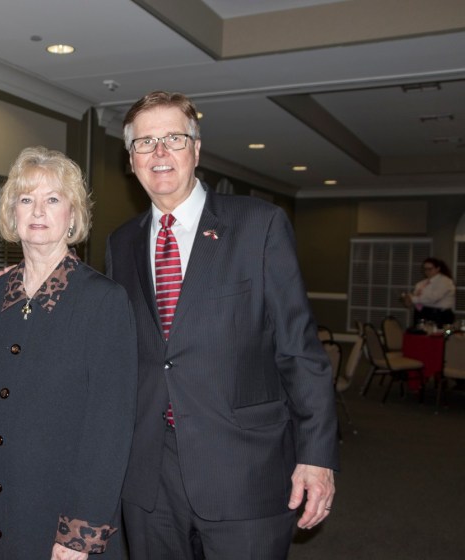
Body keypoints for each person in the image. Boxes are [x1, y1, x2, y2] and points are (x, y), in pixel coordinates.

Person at [105, 91, 339, 559]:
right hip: (150, 480)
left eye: (173, 138)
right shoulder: (120, 243)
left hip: (244, 470)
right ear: (131, 160)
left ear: (196, 148)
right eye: (145, 143)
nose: (160, 153)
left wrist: (316, 456)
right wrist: (35, 280)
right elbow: (113, 339)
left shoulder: (259, 225)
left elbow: (299, 351)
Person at [0, 146, 137, 560]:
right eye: (26, 199)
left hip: (62, 522)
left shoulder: (103, 301)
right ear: (12, 214)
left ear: (73, 216)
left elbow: (110, 429)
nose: (37, 210)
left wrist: (80, 533)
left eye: (53, 199)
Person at [401, 257, 456, 327]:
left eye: (430, 269)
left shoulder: (445, 282)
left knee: (437, 337)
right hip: (422, 313)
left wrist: (412, 299)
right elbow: (417, 299)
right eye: (425, 269)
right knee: (419, 336)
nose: (427, 271)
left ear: (437, 269)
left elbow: (434, 298)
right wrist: (408, 300)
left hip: (439, 315)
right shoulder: (421, 283)